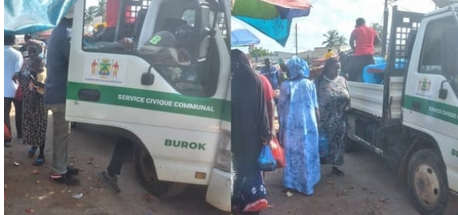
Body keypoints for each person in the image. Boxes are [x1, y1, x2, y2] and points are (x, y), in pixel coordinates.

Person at [231, 49, 271, 215]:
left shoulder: (232, 81)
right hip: (253, 135)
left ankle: (237, 201)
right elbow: (261, 110)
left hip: (236, 135)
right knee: (253, 169)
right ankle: (252, 203)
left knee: (239, 168)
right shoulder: (255, 80)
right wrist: (266, 132)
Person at [44, 8, 80, 185]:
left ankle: (63, 165)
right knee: (61, 134)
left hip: (57, 92)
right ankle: (58, 172)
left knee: (63, 133)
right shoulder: (66, 33)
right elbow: (77, 57)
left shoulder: (59, 31)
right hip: (60, 94)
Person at [278, 56, 320, 196]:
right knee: (308, 153)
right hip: (309, 126)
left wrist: (281, 128)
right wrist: (318, 124)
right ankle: (309, 183)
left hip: (292, 128)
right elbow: (315, 107)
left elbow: (281, 108)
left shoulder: (285, 85)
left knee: (292, 155)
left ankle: (291, 184)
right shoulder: (310, 84)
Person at [316, 57, 350, 176]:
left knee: (339, 143)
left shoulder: (342, 80)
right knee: (323, 144)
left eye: (339, 68)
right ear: (328, 68)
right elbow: (314, 102)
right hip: (325, 120)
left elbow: (348, 96)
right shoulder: (319, 82)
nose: (338, 70)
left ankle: (335, 166)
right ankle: (318, 167)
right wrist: (317, 120)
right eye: (336, 67)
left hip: (340, 119)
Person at [20, 40, 48, 165]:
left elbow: (43, 87)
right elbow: (23, 75)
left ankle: (41, 154)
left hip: (38, 102)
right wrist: (18, 74)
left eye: (34, 50)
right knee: (31, 126)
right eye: (30, 50)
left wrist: (35, 81)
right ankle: (34, 146)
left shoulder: (40, 64)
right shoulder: (27, 62)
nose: (31, 52)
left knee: (40, 127)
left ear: (40, 51)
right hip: (28, 100)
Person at [4, 34, 24, 147]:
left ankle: (7, 138)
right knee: (19, 112)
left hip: (3, 90)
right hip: (16, 89)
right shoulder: (17, 54)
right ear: (13, 41)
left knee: (5, 115)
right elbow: (18, 72)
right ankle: (20, 133)